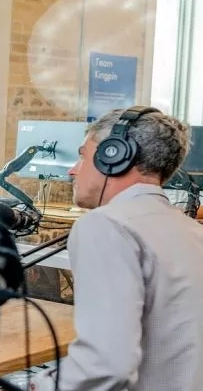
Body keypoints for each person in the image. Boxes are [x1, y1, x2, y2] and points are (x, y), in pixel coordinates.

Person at [30, 106, 203, 390]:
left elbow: (106, 365)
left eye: (83, 156)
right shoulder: (193, 232)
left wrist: (41, 386)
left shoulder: (107, 225)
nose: (73, 171)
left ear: (114, 155)